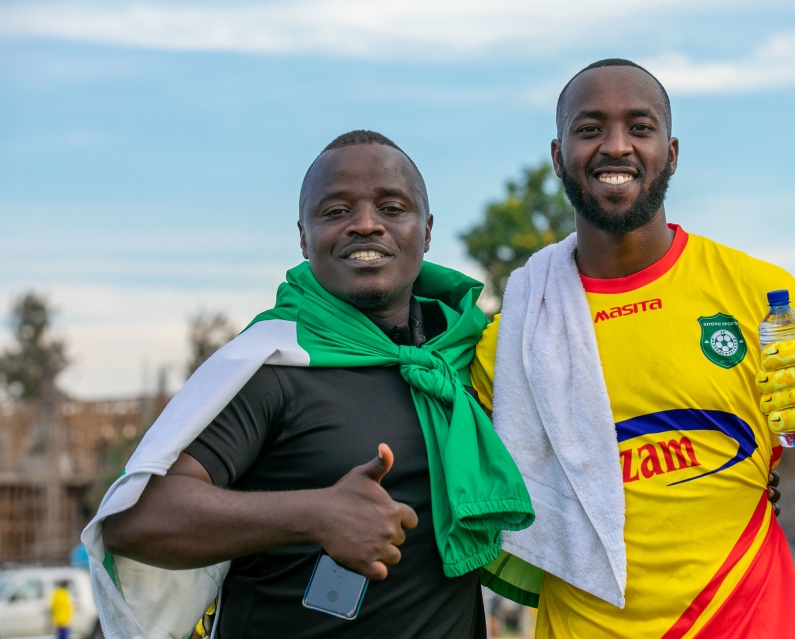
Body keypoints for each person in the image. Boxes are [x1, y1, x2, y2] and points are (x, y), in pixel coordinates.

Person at [473, 59, 795, 638]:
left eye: (640, 126)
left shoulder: (762, 301)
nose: (615, 146)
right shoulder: (515, 336)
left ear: (672, 152)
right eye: (589, 129)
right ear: (559, 156)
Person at [95, 130, 533, 638]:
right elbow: (137, 520)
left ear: (427, 230)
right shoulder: (273, 364)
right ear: (304, 236)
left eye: (392, 208)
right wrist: (313, 514)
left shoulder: (462, 357)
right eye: (336, 211)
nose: (366, 225)